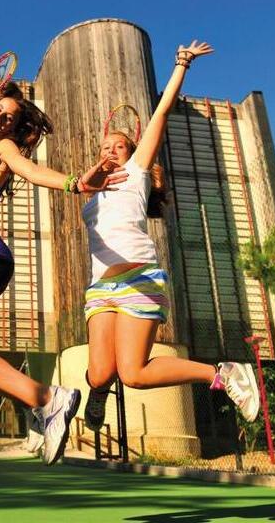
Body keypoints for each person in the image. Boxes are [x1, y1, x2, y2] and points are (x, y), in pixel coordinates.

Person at [0, 81, 127, 465]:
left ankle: (51, 398)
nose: (1, 118)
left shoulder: (3, 151)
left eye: (10, 118)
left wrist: (76, 183)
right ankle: (33, 401)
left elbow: (31, 171)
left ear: (13, 130)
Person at [78, 41, 261, 433]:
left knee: (134, 373)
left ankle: (222, 373)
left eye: (120, 145)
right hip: (99, 289)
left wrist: (183, 63)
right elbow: (78, 185)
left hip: (138, 278)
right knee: (98, 373)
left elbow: (161, 111)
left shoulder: (138, 173)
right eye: (106, 145)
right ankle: (96, 390)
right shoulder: (89, 194)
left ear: (132, 151)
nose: (113, 149)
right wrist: (91, 175)